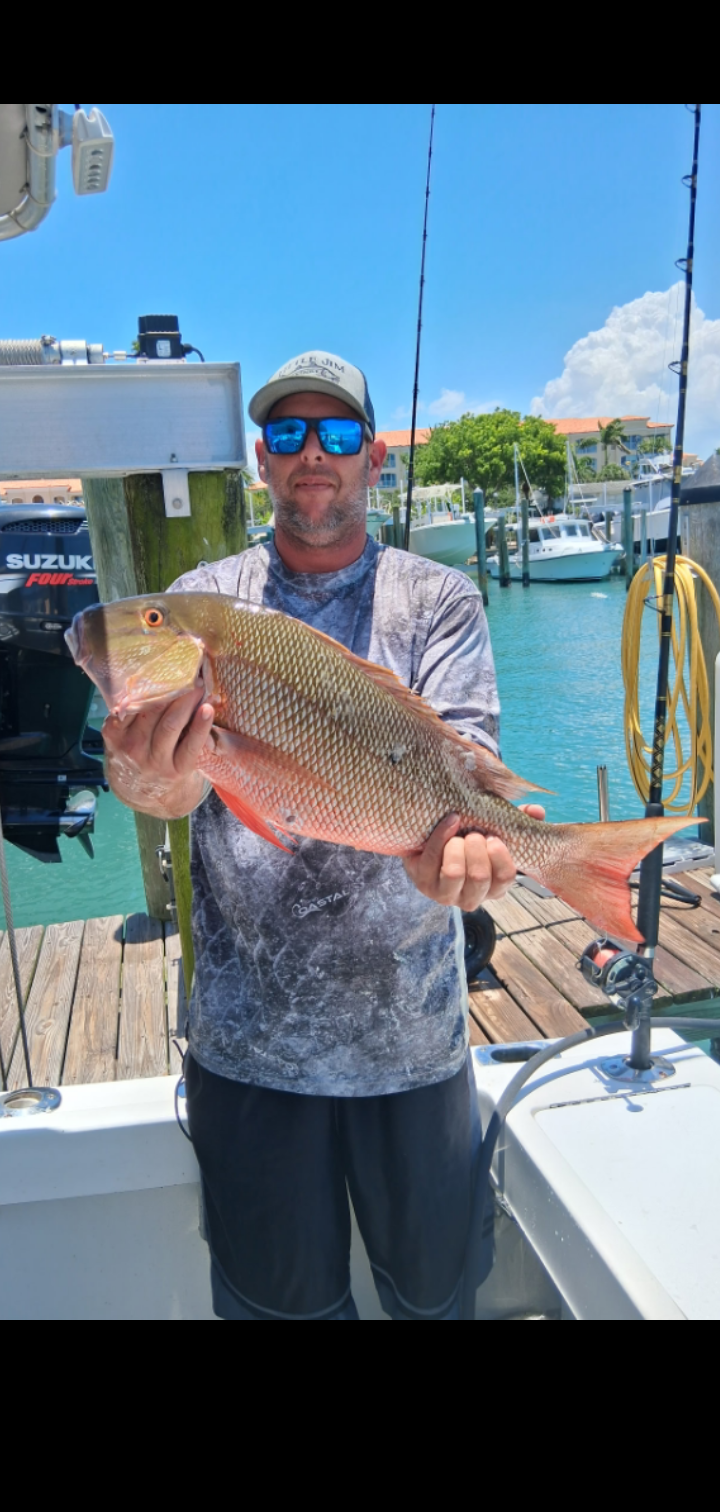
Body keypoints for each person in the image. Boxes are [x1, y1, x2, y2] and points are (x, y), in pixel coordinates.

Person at [103, 349, 539, 1320]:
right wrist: (146, 768)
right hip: (249, 1051)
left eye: (337, 434)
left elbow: (465, 767)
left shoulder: (440, 601)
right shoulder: (201, 600)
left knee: (434, 1303)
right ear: (261, 459)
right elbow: (163, 793)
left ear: (372, 459)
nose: (313, 452)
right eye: (289, 433)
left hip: (416, 1048)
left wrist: (474, 859)